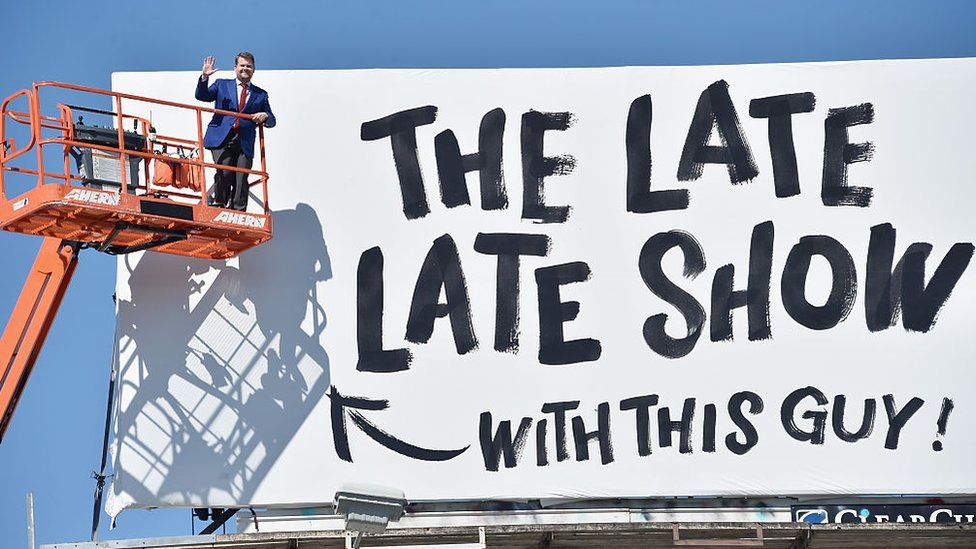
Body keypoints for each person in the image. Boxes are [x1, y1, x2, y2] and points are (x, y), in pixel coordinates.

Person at [195, 52, 276, 211]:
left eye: (249, 66)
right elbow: (202, 96)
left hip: (244, 141)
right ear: (235, 68)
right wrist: (204, 77)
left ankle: (238, 210)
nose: (245, 69)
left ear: (253, 70)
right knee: (225, 171)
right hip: (221, 138)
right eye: (242, 65)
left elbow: (272, 120)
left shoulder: (261, 94)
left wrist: (265, 115)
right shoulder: (221, 85)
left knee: (241, 177)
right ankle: (219, 205)